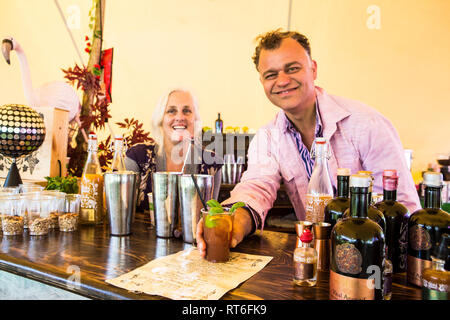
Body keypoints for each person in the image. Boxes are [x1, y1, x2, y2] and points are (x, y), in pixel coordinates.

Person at [197, 29, 421, 257]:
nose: (282, 81)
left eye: (292, 68)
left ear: (313, 69)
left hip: (375, 262)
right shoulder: (267, 137)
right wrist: (231, 220)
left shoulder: (367, 124)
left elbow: (402, 208)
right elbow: (256, 187)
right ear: (262, 81)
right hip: (315, 259)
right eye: (271, 74)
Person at [125, 87, 222, 212]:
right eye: (171, 111)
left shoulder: (212, 163)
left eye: (187, 111)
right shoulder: (137, 157)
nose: (180, 117)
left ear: (195, 119)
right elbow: (121, 211)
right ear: (160, 119)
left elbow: (210, 218)